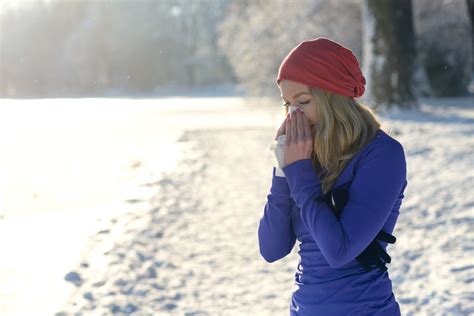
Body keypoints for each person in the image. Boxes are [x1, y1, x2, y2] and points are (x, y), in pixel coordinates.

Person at [258, 37, 408, 315]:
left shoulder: (382, 155)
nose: (294, 115)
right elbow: (272, 248)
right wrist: (282, 172)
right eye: (287, 105)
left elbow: (339, 251)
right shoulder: (305, 155)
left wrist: (299, 172)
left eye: (302, 101)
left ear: (334, 97)